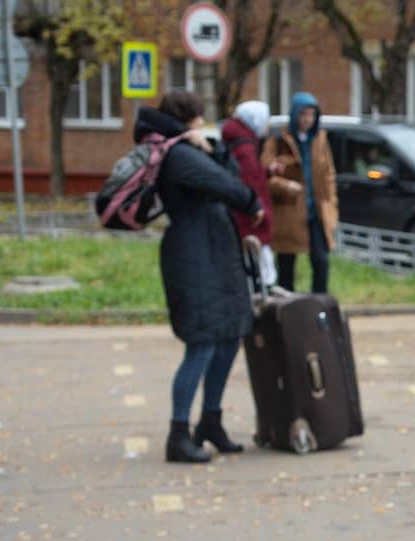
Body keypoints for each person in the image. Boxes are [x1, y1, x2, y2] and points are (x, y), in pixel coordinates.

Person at [139, 90, 263, 463]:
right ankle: (178, 434)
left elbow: (226, 174)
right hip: (193, 254)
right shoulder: (177, 155)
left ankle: (210, 420)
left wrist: (215, 150)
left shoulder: (190, 149)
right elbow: (225, 186)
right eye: (199, 118)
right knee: (202, 343)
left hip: (215, 249)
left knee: (229, 336)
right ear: (189, 119)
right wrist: (250, 202)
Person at [262, 91, 338, 294]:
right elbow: (264, 176)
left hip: (316, 211)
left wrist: (331, 203)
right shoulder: (279, 139)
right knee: (286, 263)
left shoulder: (319, 138)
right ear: (294, 115)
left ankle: (319, 304)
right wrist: (286, 186)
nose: (307, 120)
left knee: (321, 261)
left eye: (312, 115)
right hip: (289, 211)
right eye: (303, 114)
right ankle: (287, 308)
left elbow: (329, 173)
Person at [222, 100, 276, 288]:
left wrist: (267, 172)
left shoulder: (241, 143)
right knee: (261, 274)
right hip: (251, 222)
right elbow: (249, 184)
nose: (268, 125)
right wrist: (258, 213)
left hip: (245, 218)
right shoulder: (246, 149)